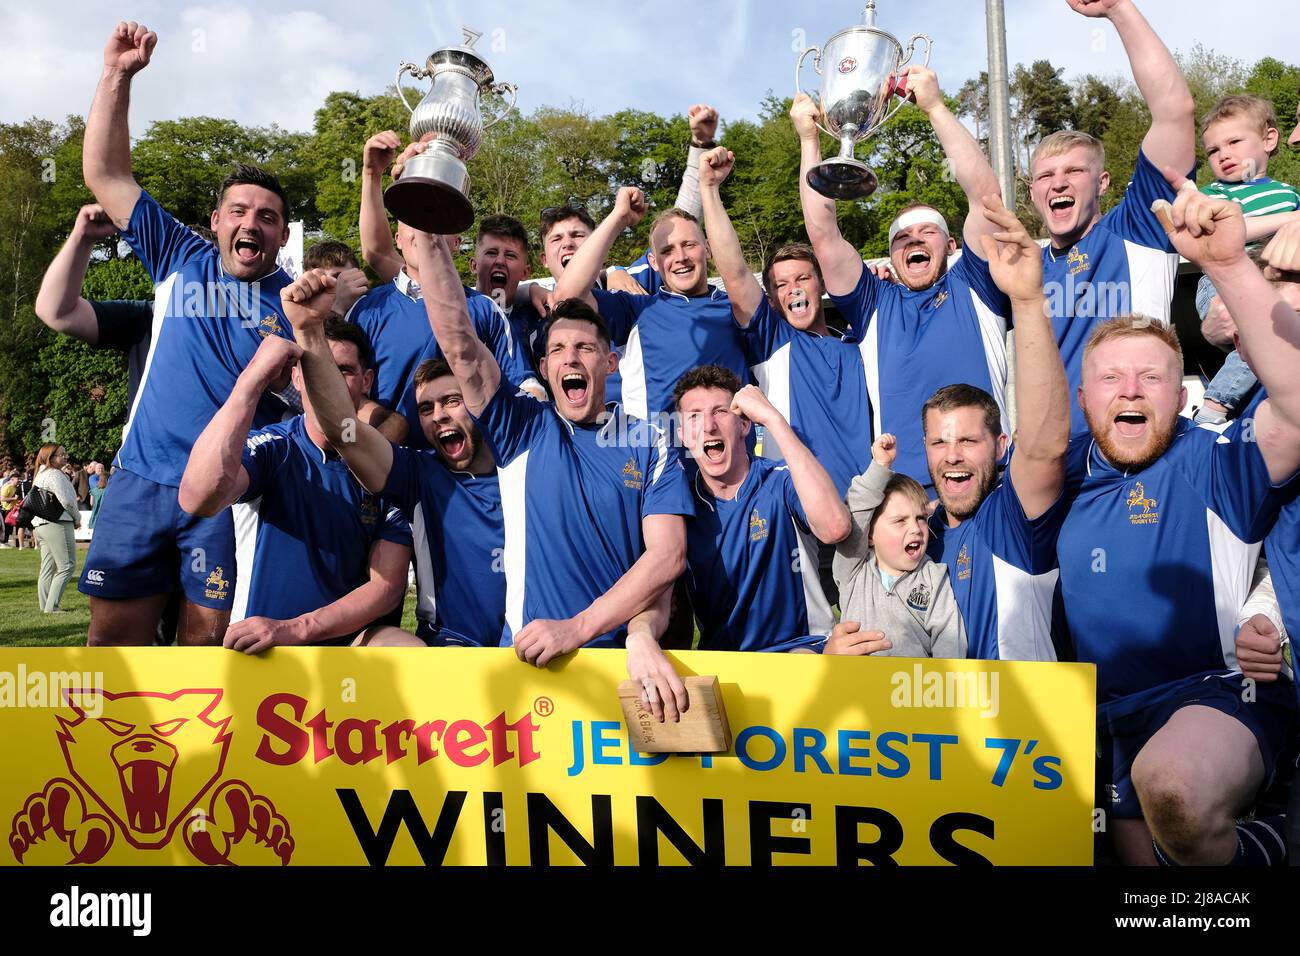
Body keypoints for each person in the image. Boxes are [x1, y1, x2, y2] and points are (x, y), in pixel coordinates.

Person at [1055, 178, 1300, 866]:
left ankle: (1280, 842)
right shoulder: (1059, 477)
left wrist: (1227, 265)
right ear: (1083, 396)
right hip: (1103, 721)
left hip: (1217, 695)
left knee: (1176, 793)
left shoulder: (1216, 459)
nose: (1130, 390)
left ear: (1181, 391)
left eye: (1151, 377)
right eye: (1111, 378)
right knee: (1163, 882)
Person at [384, 223, 694, 716]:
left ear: (610, 363)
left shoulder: (651, 437)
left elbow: (668, 557)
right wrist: (428, 224)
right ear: (544, 369)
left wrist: (597, 630)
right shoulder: (522, 426)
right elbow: (460, 343)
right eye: (557, 351)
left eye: (585, 349)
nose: (570, 358)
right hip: (533, 666)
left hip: (623, 668)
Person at [77, 21, 299, 647]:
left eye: (268, 216)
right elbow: (104, 171)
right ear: (215, 221)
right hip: (141, 478)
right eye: (238, 210)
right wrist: (118, 75)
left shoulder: (295, 306)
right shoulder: (180, 255)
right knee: (112, 649)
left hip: (226, 492)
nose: (251, 222)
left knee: (204, 654)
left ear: (282, 235)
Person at [793, 64, 1012, 494]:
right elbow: (823, 234)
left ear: (951, 247)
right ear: (891, 258)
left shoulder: (976, 284)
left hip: (990, 488)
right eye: (902, 237)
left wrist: (934, 106)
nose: (913, 239)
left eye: (927, 231)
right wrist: (809, 140)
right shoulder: (875, 302)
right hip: (907, 502)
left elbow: (987, 199)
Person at [179, 320, 413, 652]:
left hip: (348, 650)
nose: (329, 381)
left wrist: (297, 629)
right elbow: (196, 497)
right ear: (297, 378)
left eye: (343, 370)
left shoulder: (389, 466)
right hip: (264, 648)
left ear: (366, 381)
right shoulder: (274, 447)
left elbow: (386, 587)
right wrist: (252, 379)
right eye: (320, 369)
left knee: (406, 650)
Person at [1031, 0, 1195, 435]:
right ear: (1033, 192)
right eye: (1045, 175)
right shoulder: (1023, 265)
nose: (1059, 183)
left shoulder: (1137, 229)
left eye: (1074, 172)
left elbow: (1174, 111)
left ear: (1102, 182)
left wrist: (1118, 9)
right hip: (1056, 463)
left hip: (1137, 444)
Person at [922, 196, 1073, 662]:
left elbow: (1045, 445)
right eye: (940, 442)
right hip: (938, 732)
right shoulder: (918, 534)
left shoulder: (1013, 517)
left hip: (1023, 730)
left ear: (1001, 445)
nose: (952, 455)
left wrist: (1027, 301)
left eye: (968, 440)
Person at [290, 341, 509, 647]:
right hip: (450, 650)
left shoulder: (523, 467)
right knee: (377, 641)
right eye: (425, 408)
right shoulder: (417, 473)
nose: (438, 416)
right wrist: (308, 329)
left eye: (451, 400)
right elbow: (345, 432)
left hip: (528, 649)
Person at [672, 367, 850, 652]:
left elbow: (835, 527)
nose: (708, 426)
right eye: (694, 416)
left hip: (802, 648)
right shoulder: (679, 503)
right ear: (682, 435)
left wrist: (773, 418)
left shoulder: (780, 479)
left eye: (720, 411)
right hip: (726, 663)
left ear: (744, 425)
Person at [554, 186, 751, 430]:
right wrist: (618, 218)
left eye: (689, 245)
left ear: (708, 249)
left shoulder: (738, 307)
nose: (680, 257)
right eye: (667, 251)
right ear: (653, 262)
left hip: (734, 459)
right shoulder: (637, 309)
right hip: (662, 462)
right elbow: (566, 295)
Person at [1192, 94, 1300, 424]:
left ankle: (1217, 408)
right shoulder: (1213, 194)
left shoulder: (1287, 192)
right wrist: (1291, 220)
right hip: (1220, 279)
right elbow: (1228, 234)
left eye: (1234, 142)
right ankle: (1214, 408)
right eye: (1213, 151)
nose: (1224, 155)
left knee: (1266, 333)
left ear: (1269, 140)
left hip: (1271, 278)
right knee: (1255, 332)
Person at [834, 433, 966, 659]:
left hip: (910, 690)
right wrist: (879, 467)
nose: (915, 528)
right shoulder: (853, 571)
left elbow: (949, 641)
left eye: (921, 518)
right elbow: (856, 511)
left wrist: (941, 688)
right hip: (857, 689)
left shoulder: (934, 577)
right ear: (869, 535)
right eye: (900, 521)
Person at [31, 444, 81, 614]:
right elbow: (67, 501)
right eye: (61, 454)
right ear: (50, 457)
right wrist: (77, 518)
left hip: (41, 525)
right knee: (67, 565)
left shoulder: (40, 474)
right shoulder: (55, 474)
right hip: (57, 523)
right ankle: (52, 607)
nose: (65, 457)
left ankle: (46, 606)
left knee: (47, 567)